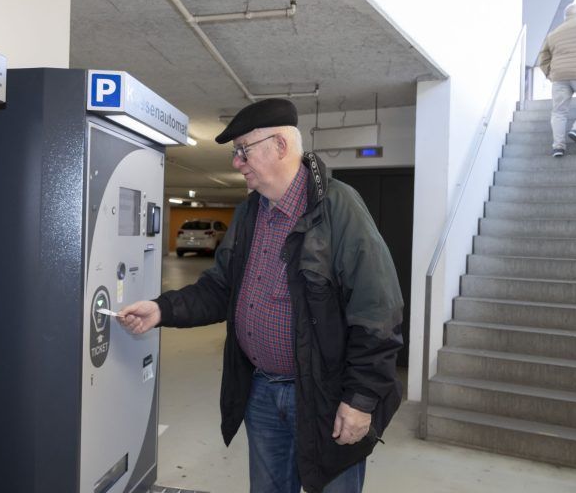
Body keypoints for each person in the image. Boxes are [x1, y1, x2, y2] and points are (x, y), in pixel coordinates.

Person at [118, 98, 404, 493]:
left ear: (281, 146)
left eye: (243, 151)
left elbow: (378, 314)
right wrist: (161, 309)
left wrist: (360, 400)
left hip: (324, 397)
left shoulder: (340, 210)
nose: (237, 162)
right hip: (263, 393)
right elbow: (220, 288)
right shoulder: (250, 213)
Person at [538, 3, 576, 157]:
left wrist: (551, 74)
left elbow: (543, 58)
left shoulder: (554, 33)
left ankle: (558, 147)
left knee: (558, 112)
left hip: (559, 76)